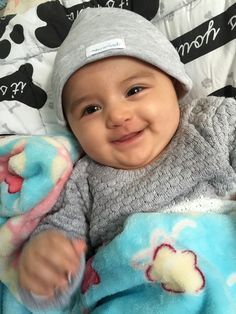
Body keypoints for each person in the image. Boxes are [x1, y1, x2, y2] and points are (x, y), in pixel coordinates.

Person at [18, 7, 236, 310]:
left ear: (174, 86)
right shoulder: (83, 178)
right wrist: (47, 256)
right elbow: (60, 234)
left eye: (134, 90)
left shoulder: (210, 119)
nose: (118, 116)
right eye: (90, 109)